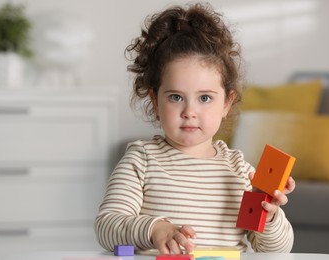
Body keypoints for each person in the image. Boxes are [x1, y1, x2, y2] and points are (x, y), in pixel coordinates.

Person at [94, 2, 296, 255]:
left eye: (205, 98)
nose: (190, 111)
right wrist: (155, 229)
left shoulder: (241, 172)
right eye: (176, 97)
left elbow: (277, 251)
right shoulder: (142, 159)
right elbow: (106, 226)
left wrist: (268, 216)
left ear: (226, 103)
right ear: (155, 101)